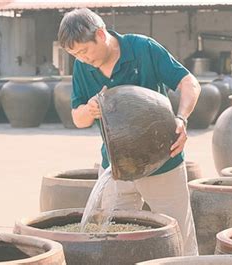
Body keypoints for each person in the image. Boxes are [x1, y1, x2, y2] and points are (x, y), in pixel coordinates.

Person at [58, 8, 201, 255]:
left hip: (161, 161)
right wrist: (89, 110)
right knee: (114, 237)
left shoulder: (143, 48)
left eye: (83, 51)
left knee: (179, 234)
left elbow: (189, 82)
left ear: (101, 34)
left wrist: (181, 118)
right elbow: (77, 118)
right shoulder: (83, 67)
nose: (81, 59)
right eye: (75, 55)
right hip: (115, 165)